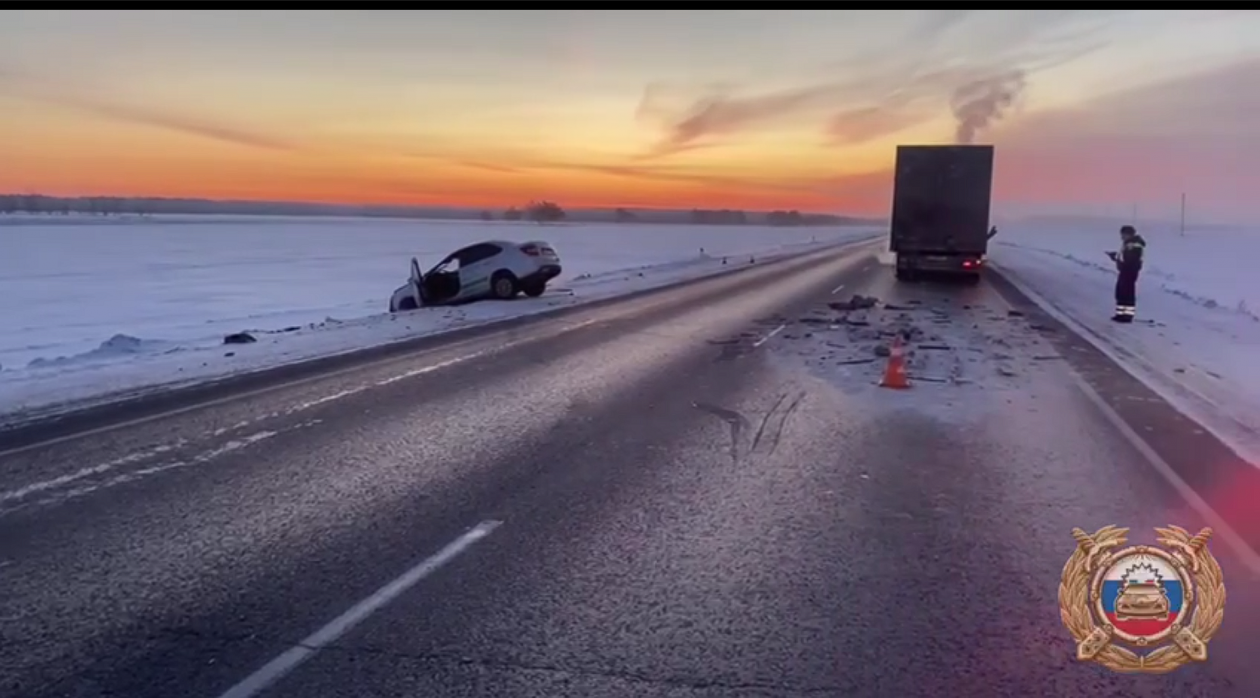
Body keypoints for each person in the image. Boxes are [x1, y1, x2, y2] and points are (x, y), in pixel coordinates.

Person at [1107, 225, 1146, 323]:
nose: (1122, 237)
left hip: (1129, 272)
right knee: (1121, 293)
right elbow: (1125, 257)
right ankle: (1120, 315)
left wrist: (1121, 263)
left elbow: (1131, 259)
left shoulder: (1133, 245)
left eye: (1123, 234)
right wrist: (1115, 257)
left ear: (1128, 234)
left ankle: (1127, 316)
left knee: (1127, 294)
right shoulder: (1128, 244)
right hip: (1125, 271)